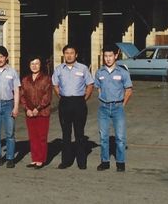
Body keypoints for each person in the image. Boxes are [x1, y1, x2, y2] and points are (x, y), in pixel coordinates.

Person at [52, 44, 94, 170]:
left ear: (76, 55)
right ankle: (66, 161)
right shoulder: (59, 69)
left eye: (72, 53)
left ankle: (81, 161)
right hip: (65, 102)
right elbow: (55, 84)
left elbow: (90, 85)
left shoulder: (83, 68)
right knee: (66, 133)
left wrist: (83, 98)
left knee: (79, 133)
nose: (69, 55)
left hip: (79, 103)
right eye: (67, 53)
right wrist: (62, 97)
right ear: (63, 55)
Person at [94, 44, 132, 172]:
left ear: (116, 56)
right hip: (103, 108)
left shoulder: (123, 72)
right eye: (105, 56)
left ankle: (120, 162)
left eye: (110, 56)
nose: (108, 59)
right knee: (103, 137)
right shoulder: (99, 72)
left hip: (117, 108)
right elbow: (98, 87)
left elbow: (129, 90)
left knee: (120, 137)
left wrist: (122, 104)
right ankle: (105, 162)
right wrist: (102, 97)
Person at [20, 55, 52, 169]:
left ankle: (41, 159)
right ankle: (35, 158)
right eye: (32, 64)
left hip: (42, 112)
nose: (34, 66)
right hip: (29, 112)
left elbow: (47, 97)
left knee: (41, 136)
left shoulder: (46, 78)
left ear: (40, 65)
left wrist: (37, 108)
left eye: (37, 64)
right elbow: (22, 96)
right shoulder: (25, 79)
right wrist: (27, 109)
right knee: (33, 136)